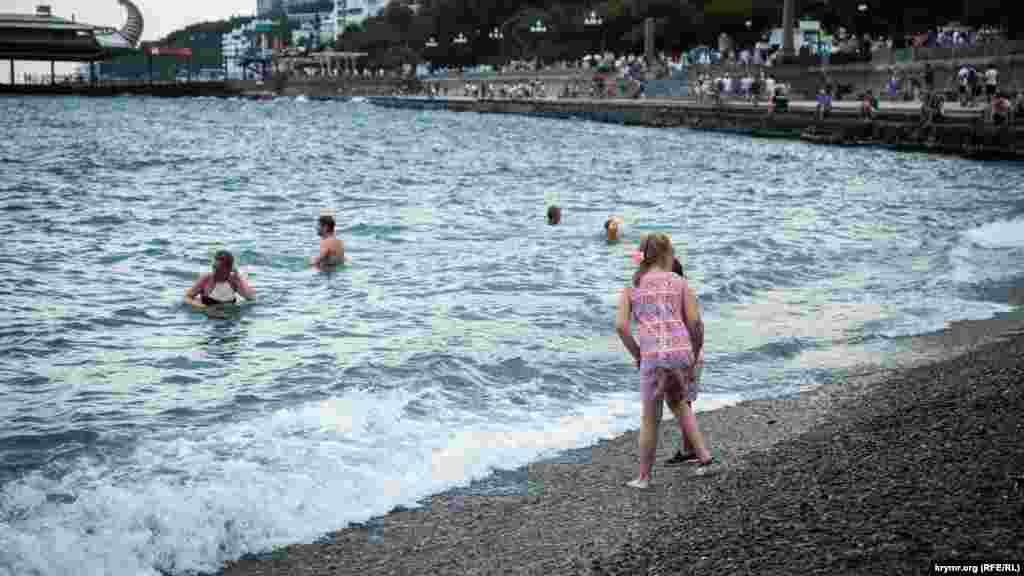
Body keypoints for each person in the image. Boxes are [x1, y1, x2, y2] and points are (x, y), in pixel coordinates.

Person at [615, 233, 711, 489]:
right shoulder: (680, 283)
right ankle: (704, 457)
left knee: (650, 417)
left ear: (643, 255)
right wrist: (695, 348)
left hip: (652, 355)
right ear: (668, 254)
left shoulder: (632, 286)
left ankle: (644, 477)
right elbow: (695, 322)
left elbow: (621, 327)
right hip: (681, 352)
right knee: (680, 403)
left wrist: (637, 354)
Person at [184, 250, 255, 309]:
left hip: (229, 316)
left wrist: (238, 276)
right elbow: (187, 298)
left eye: (218, 269)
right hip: (209, 318)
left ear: (228, 270)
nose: (214, 272)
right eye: (214, 267)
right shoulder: (206, 278)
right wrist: (205, 308)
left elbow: (250, 298)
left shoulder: (233, 280)